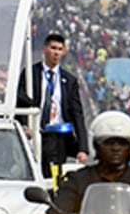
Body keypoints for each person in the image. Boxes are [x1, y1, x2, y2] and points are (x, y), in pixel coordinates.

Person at [24, 31, 89, 176]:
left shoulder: (69, 80)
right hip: (37, 133)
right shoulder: (30, 73)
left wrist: (83, 148)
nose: (56, 53)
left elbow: (77, 114)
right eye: (53, 48)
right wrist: (24, 124)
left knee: (55, 174)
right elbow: (21, 101)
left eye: (60, 49)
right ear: (45, 49)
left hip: (59, 137)